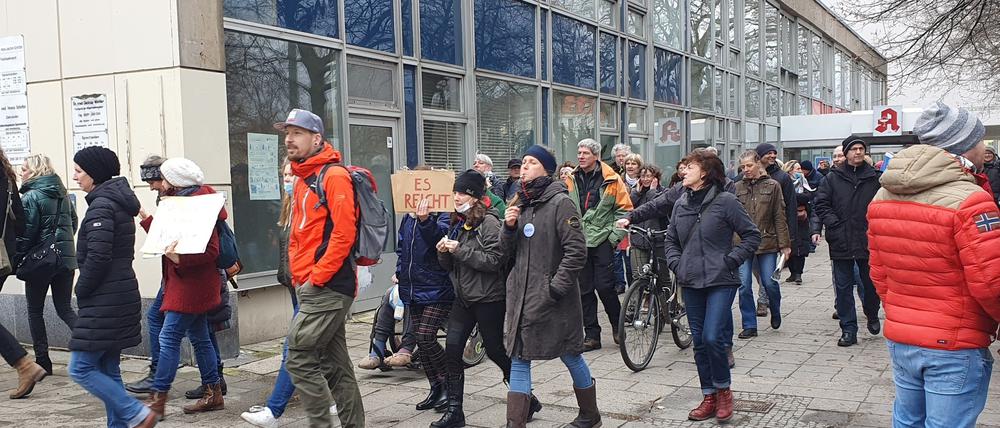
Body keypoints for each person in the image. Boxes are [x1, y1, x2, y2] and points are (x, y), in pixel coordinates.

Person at [868, 103, 1000, 428]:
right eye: (980, 139)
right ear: (964, 144)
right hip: (955, 341)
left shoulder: (882, 196)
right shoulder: (972, 200)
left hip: (904, 336)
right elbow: (991, 282)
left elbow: (879, 273)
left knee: (907, 421)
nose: (984, 145)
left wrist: (903, 312)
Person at [500, 145, 599, 428]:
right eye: (523, 162)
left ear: (546, 169)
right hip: (522, 297)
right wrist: (508, 228)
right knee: (520, 357)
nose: (524, 167)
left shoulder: (560, 203)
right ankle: (515, 423)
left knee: (570, 354)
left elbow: (576, 252)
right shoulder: (519, 202)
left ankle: (590, 415)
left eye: (531, 162)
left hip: (554, 300)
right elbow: (505, 253)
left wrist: (554, 288)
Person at [434, 170, 541, 428]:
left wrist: (459, 250)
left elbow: (494, 261)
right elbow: (450, 266)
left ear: (474, 196)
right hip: (464, 299)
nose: (456, 197)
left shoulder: (489, 223)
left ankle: (527, 399)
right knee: (452, 351)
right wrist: (444, 252)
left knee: (495, 350)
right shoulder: (458, 221)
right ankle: (455, 411)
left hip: (488, 298)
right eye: (455, 192)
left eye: (461, 193)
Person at [280, 108, 365, 428]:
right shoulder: (304, 177)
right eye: (287, 133)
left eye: (297, 133)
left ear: (316, 139)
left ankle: (320, 423)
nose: (289, 139)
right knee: (335, 367)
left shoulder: (333, 176)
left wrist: (316, 278)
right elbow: (300, 234)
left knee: (299, 356)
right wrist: (299, 276)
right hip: (311, 284)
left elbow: (344, 234)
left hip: (327, 286)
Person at [664, 149, 759, 422]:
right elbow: (671, 240)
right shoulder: (681, 203)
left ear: (705, 172)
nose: (684, 171)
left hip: (721, 279)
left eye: (690, 166)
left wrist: (731, 260)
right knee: (699, 342)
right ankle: (709, 395)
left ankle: (724, 391)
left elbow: (752, 235)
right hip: (691, 279)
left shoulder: (726, 201)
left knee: (711, 336)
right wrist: (677, 264)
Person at [242, 160, 337, 427]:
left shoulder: (312, 204)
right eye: (284, 174)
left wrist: (312, 280)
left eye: (291, 174)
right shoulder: (289, 206)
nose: (287, 179)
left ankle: (273, 411)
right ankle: (332, 400)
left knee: (293, 349)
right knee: (328, 351)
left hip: (312, 289)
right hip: (295, 286)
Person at [68, 146, 156, 427]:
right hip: (119, 293)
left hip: (105, 298)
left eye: (79, 171)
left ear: (94, 173)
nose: (75, 176)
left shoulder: (102, 205)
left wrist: (81, 289)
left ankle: (137, 413)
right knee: (108, 369)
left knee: (80, 368)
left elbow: (98, 257)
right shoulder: (116, 201)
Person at [141, 158, 225, 417]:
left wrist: (179, 259)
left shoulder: (198, 205)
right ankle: (213, 394)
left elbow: (211, 251)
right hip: (187, 283)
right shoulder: (182, 202)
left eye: (164, 179)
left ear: (175, 182)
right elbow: (171, 237)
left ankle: (158, 399)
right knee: (200, 337)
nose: (160, 184)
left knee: (168, 337)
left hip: (191, 286)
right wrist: (147, 220)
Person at [814, 136, 882, 347]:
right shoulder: (832, 178)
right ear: (846, 153)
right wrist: (833, 224)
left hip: (867, 238)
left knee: (870, 284)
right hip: (841, 239)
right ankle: (848, 329)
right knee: (843, 287)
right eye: (854, 149)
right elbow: (821, 204)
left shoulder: (875, 178)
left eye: (861, 148)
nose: (858, 152)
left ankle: (872, 312)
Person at [565, 138, 633, 351]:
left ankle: (617, 326)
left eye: (585, 153)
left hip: (603, 239)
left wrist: (614, 238)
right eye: (579, 152)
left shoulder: (611, 179)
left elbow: (625, 210)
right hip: (579, 240)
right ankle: (592, 335)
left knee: (605, 287)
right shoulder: (571, 178)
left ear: (596, 156)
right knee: (584, 290)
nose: (580, 156)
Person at [16, 154, 78, 376]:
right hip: (65, 260)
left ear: (35, 171)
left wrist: (19, 259)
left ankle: (43, 361)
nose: (21, 173)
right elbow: (73, 223)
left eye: (24, 169)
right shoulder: (63, 194)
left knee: (35, 311)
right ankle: (94, 348)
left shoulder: (30, 196)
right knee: (65, 308)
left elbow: (27, 233)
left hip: (40, 263)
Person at [394, 190, 454, 414]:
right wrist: (400, 272)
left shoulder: (444, 212)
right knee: (421, 339)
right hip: (412, 286)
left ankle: (450, 385)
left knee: (427, 336)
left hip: (437, 285)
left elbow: (441, 241)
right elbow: (401, 248)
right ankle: (436, 387)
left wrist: (426, 220)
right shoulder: (407, 217)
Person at [734, 151, 790, 339]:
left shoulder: (773, 186)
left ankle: (775, 309)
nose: (746, 170)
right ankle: (749, 324)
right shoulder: (736, 187)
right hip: (742, 243)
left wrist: (784, 245)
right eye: (743, 166)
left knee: (769, 282)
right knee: (744, 285)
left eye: (749, 165)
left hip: (767, 241)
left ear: (758, 164)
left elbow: (779, 216)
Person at [748, 144, 796, 318]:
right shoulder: (744, 178)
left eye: (774, 153)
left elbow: (789, 207)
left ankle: (763, 301)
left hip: (771, 235)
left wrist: (789, 238)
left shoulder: (782, 178)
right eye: (768, 153)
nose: (772, 156)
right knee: (756, 271)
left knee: (768, 276)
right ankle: (765, 295)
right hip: (749, 236)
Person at [625, 165, 665, 280]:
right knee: (638, 276)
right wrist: (636, 193)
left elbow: (658, 207)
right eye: (643, 176)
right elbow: (628, 207)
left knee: (662, 277)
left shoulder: (663, 192)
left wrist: (652, 191)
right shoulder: (637, 193)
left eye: (649, 176)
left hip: (657, 241)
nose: (646, 179)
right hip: (638, 240)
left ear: (655, 178)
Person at [786, 193, 819, 285]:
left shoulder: (799, 198)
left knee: (799, 254)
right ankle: (793, 273)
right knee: (790, 253)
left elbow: (806, 200)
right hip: (790, 228)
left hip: (801, 229)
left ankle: (798, 274)